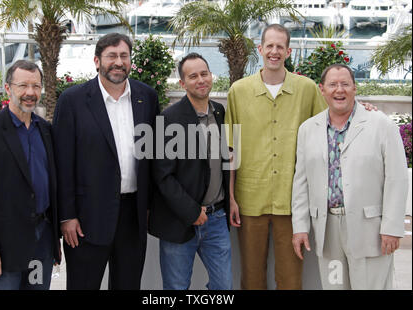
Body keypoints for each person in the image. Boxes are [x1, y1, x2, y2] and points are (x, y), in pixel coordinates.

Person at [52, 33, 159, 290]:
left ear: (131, 61)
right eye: (111, 56)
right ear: (97, 61)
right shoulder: (73, 100)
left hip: (133, 217)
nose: (118, 62)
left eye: (124, 56)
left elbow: (153, 156)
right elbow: (62, 162)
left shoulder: (147, 97)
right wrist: (67, 216)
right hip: (86, 220)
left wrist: (150, 205)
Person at [225, 24, 327, 290]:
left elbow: (329, 127)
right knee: (251, 277)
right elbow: (230, 150)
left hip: (293, 201)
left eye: (280, 46)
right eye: (269, 46)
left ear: (288, 51)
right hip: (250, 199)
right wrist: (231, 196)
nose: (274, 51)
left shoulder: (307, 89)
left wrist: (364, 109)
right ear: (260, 49)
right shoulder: (238, 91)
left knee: (291, 278)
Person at [291, 64, 408, 290]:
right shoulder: (308, 129)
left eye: (345, 84)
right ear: (322, 89)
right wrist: (300, 227)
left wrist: (392, 227)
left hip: (370, 231)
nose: (339, 90)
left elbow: (397, 178)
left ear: (355, 88)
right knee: (334, 286)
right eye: (333, 84)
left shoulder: (381, 125)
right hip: (328, 231)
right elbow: (301, 183)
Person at [0, 60, 61, 290]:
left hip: (43, 239)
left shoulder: (46, 130)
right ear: (8, 88)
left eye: (36, 86)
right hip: (6, 244)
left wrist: (54, 241)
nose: (30, 93)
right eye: (23, 86)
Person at [149, 53, 232, 290]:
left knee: (224, 287)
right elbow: (162, 176)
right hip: (180, 221)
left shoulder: (219, 112)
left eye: (204, 74)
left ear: (211, 76)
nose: (201, 80)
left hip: (216, 219)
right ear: (182, 84)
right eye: (193, 76)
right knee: (176, 288)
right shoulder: (168, 119)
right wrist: (191, 211)